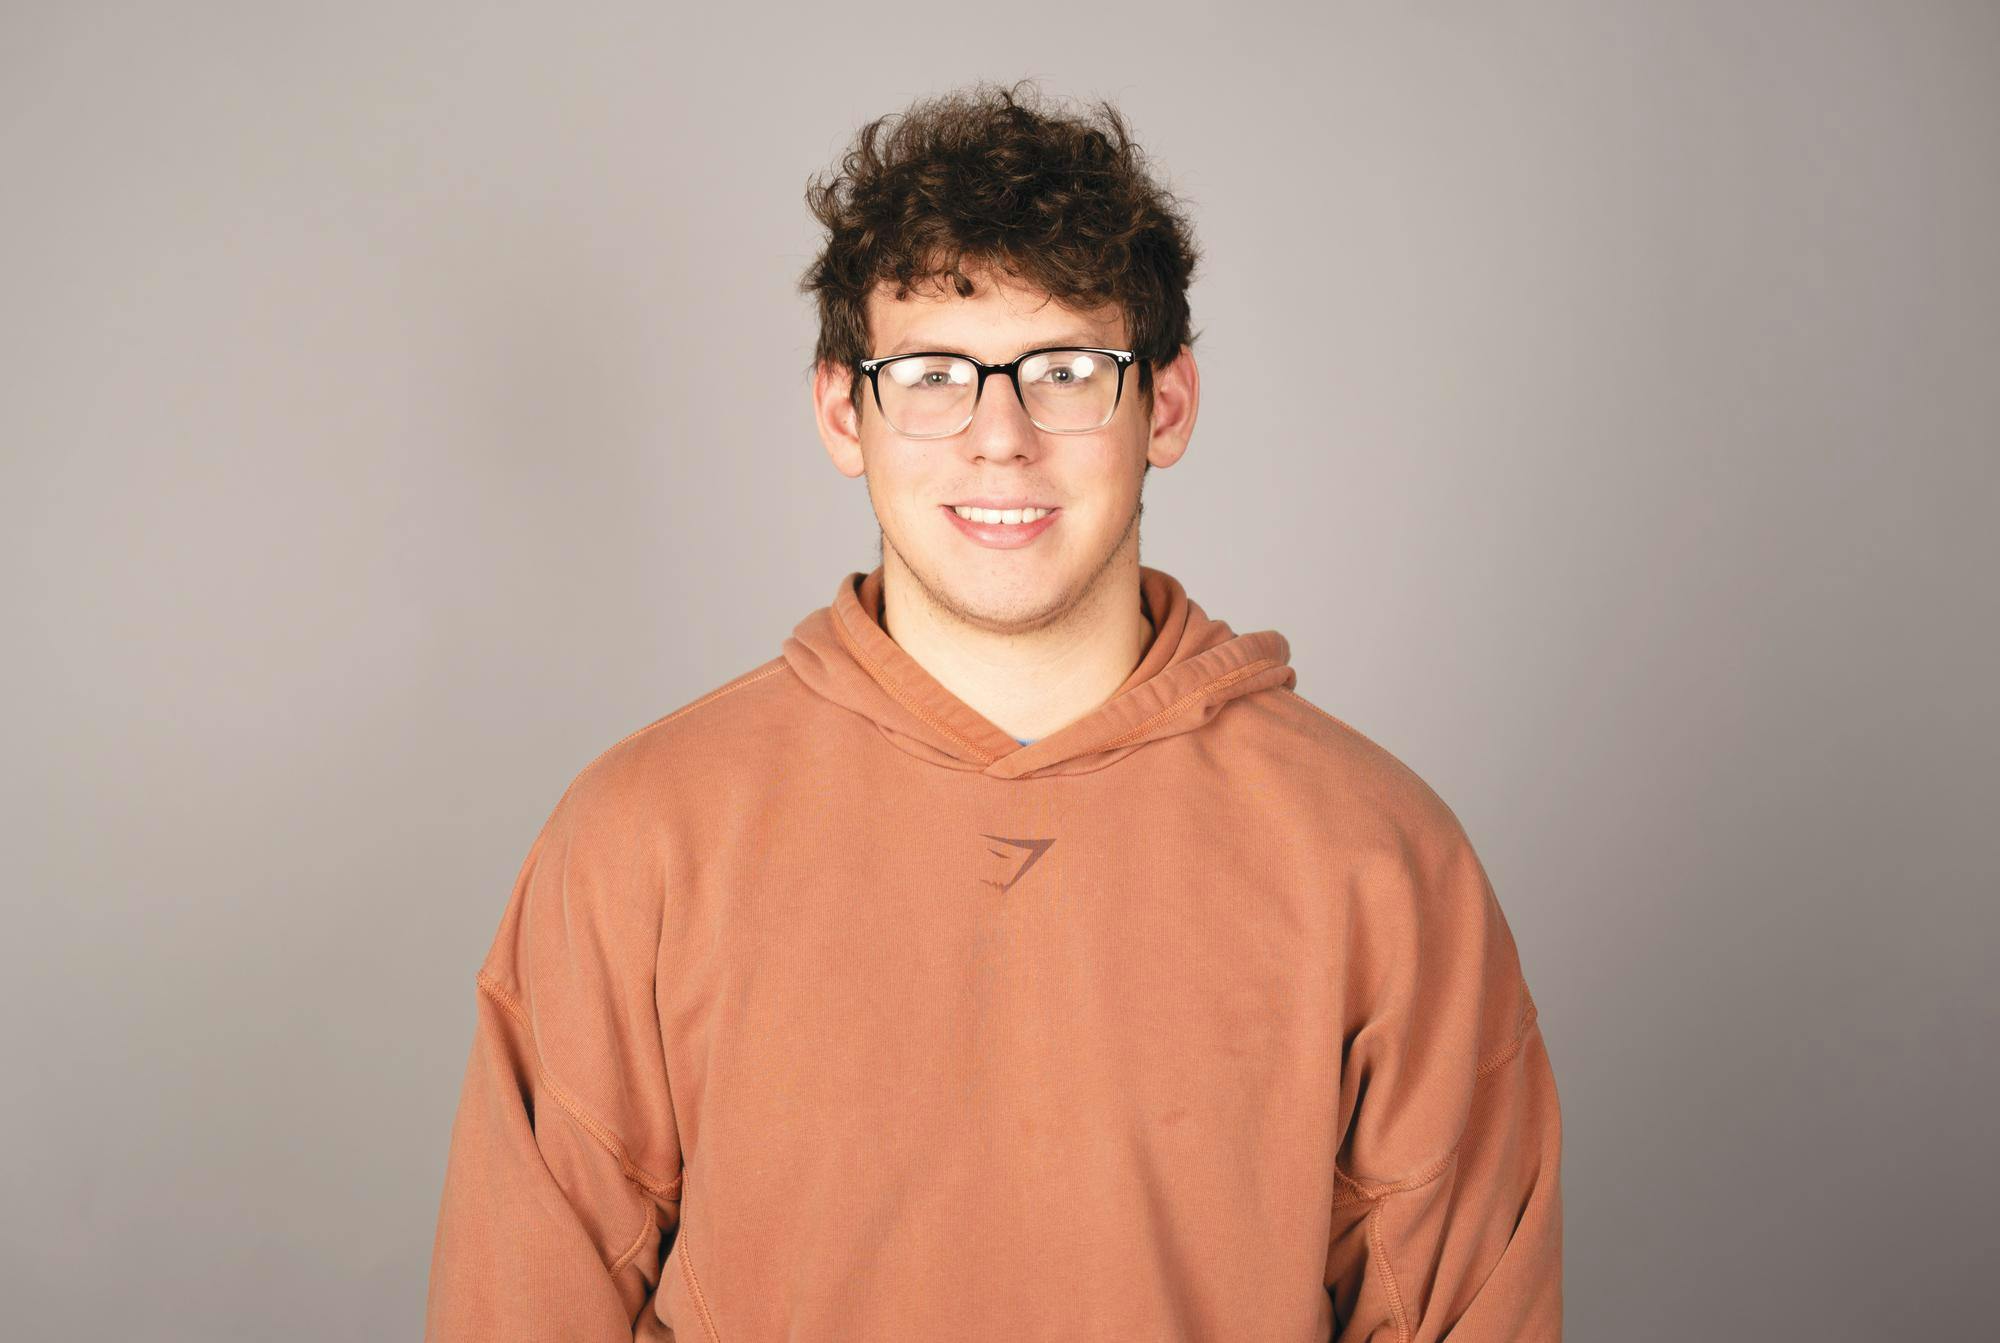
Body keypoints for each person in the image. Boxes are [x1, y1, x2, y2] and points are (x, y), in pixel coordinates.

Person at [425, 78, 1562, 1342]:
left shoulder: (1378, 857)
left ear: (1165, 406)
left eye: (1067, 369)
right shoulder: (637, 839)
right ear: (840, 410)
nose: (998, 437)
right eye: (930, 374)